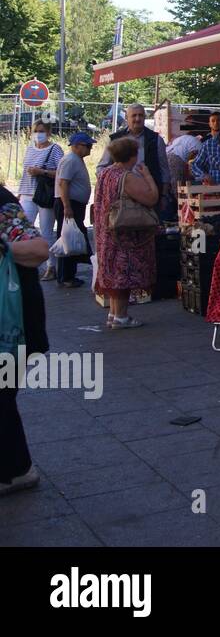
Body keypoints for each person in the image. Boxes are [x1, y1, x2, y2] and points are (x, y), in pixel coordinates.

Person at [0, 186, 50, 495]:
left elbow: (40, 249)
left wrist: (4, 247)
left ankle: (17, 470)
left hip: (13, 324)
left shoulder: (3, 204)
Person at [92, 137, 159, 331]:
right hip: (124, 234)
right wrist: (147, 176)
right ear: (132, 155)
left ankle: (113, 313)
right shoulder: (126, 177)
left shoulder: (105, 173)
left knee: (112, 272)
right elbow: (151, 198)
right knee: (123, 272)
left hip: (107, 231)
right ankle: (121, 316)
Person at [98, 103, 170, 211]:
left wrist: (164, 195)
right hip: (120, 198)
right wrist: (113, 181)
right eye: (134, 115)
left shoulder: (155, 139)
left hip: (148, 196)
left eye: (141, 115)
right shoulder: (116, 139)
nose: (137, 119)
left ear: (145, 117)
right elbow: (101, 168)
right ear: (126, 118)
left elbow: (164, 170)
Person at [17, 121, 62, 281]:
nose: (38, 134)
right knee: (23, 229)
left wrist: (41, 172)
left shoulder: (55, 149)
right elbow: (24, 173)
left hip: (44, 196)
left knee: (46, 232)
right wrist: (19, 194)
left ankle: (51, 266)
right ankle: (25, 264)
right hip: (28, 194)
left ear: (49, 132)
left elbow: (62, 171)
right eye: (36, 131)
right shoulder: (30, 148)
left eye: (41, 131)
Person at [53, 132, 94, 289]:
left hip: (74, 204)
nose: (90, 148)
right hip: (70, 204)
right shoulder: (70, 160)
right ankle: (65, 276)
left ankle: (69, 274)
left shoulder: (76, 160)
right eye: (87, 145)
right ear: (76, 146)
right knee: (67, 240)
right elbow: (64, 183)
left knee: (72, 239)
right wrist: (67, 206)